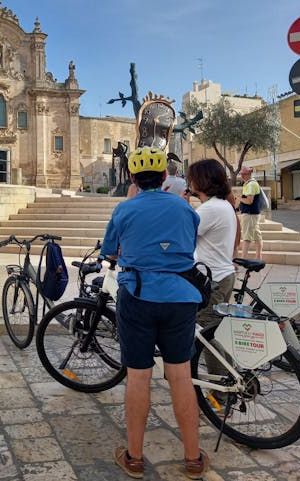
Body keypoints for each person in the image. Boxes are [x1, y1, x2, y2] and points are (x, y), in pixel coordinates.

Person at [102, 147, 209, 479]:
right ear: (165, 177)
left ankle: (134, 457)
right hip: (180, 298)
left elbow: (109, 250)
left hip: (138, 296)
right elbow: (187, 245)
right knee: (180, 377)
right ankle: (193, 458)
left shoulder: (124, 209)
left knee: (139, 376)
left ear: (132, 178)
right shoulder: (185, 207)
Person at [184, 159, 237, 381]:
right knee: (215, 331)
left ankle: (222, 390)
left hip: (213, 279)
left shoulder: (210, 209)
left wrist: (182, 206)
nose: (189, 181)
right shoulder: (221, 205)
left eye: (192, 177)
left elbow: (183, 234)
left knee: (204, 333)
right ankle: (231, 376)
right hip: (224, 275)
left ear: (202, 180)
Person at [235, 167, 263, 260]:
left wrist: (238, 198)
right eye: (241, 174)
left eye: (244, 174)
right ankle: (258, 257)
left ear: (249, 174)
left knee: (247, 236)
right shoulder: (250, 184)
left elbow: (249, 201)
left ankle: (243, 258)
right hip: (253, 213)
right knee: (256, 235)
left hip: (250, 214)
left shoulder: (251, 185)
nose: (242, 176)